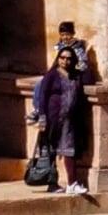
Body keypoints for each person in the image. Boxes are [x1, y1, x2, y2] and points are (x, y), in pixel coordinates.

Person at [50, 19, 101, 200]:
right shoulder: (54, 72)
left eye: (67, 34)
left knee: (68, 149)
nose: (65, 37)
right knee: (51, 149)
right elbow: (46, 87)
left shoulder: (77, 54)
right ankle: (53, 182)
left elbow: (84, 71)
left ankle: (71, 183)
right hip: (53, 115)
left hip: (68, 115)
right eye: (62, 35)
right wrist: (41, 114)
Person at [26, 54, 77, 195]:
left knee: (63, 150)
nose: (65, 61)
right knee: (48, 151)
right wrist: (42, 118)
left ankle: (62, 183)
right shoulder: (50, 76)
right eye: (62, 57)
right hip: (49, 120)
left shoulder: (72, 75)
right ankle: (51, 183)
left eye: (68, 58)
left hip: (64, 120)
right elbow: (41, 97)